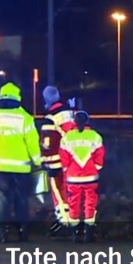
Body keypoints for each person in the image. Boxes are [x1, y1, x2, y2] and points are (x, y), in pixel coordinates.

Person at [0, 82, 42, 243]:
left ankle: (2, 233)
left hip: (0, 166)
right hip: (21, 167)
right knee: (21, 199)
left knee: (3, 200)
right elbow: (32, 142)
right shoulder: (25, 118)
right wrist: (37, 160)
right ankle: (22, 232)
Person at [59, 111, 105, 243]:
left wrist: (68, 170)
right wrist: (95, 167)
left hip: (73, 177)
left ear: (74, 121)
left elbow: (64, 158)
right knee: (90, 203)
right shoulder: (95, 136)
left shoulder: (67, 138)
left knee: (73, 204)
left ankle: (74, 234)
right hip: (91, 177)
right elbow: (99, 156)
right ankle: (88, 234)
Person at [39, 85, 76, 232]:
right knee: (70, 190)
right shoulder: (71, 113)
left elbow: (48, 144)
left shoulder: (50, 119)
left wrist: (43, 159)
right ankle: (74, 219)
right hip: (75, 159)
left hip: (57, 161)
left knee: (57, 191)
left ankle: (63, 220)